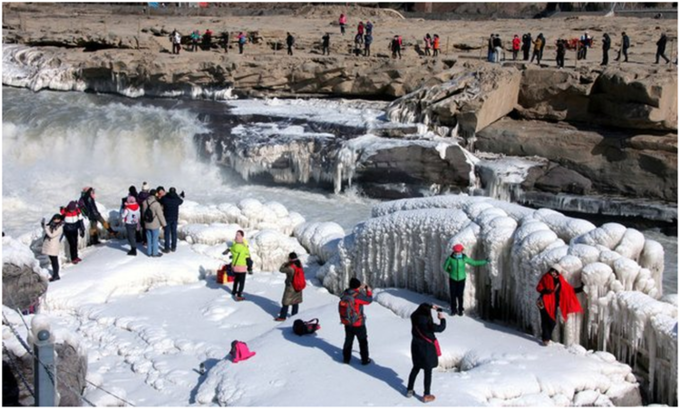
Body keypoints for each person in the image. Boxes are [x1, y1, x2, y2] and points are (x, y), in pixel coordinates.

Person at [406, 303, 446, 403]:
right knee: (428, 371)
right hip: (427, 349)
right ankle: (426, 395)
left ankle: (410, 390)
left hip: (416, 347)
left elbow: (422, 307)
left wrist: (431, 306)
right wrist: (442, 319)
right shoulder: (428, 324)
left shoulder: (414, 317)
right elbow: (441, 328)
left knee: (415, 368)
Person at [536, 266, 584, 346]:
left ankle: (546, 337)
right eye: (552, 271)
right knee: (545, 320)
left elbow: (569, 290)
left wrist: (580, 289)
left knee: (552, 322)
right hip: (544, 302)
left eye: (556, 272)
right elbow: (538, 287)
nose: (553, 273)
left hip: (553, 303)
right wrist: (545, 290)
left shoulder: (560, 280)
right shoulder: (546, 277)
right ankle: (546, 339)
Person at [443, 244, 488, 316]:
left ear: (461, 251)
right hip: (453, 279)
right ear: (453, 251)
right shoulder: (450, 258)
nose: (457, 253)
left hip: (461, 279)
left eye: (459, 251)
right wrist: (451, 272)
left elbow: (474, 263)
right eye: (456, 251)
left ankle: (460, 310)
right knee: (453, 295)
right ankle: (453, 310)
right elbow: (445, 267)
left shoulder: (464, 258)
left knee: (460, 295)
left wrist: (485, 261)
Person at [341, 277, 373, 365]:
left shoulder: (345, 293)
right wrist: (368, 291)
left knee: (348, 341)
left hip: (347, 322)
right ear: (357, 287)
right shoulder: (357, 296)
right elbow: (369, 300)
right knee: (363, 341)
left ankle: (346, 359)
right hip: (358, 323)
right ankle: (365, 359)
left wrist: (359, 288)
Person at [275, 252, 304, 321]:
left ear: (290, 258)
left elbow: (281, 269)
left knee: (286, 301)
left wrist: (285, 263)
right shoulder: (299, 264)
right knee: (295, 301)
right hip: (298, 286)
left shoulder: (290, 267)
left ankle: (282, 317)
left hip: (291, 287)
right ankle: (294, 316)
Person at [142, 189, 166, 258]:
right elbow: (160, 215)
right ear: (155, 194)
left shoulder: (144, 202)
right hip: (155, 224)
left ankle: (149, 252)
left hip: (147, 223)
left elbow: (143, 213)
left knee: (149, 238)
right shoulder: (156, 204)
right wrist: (164, 224)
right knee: (155, 239)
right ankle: (155, 253)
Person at [160, 187, 183, 253]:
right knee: (174, 233)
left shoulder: (165, 199)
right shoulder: (176, 200)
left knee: (167, 233)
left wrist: (166, 194)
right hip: (174, 218)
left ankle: (167, 248)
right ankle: (173, 247)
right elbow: (181, 201)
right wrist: (176, 195)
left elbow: (161, 200)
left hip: (167, 218)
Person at [42, 214, 64, 282]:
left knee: (54, 261)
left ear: (60, 220)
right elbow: (48, 229)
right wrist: (44, 225)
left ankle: (56, 275)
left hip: (53, 246)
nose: (56, 220)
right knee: (52, 260)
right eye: (55, 219)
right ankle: (55, 274)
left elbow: (51, 235)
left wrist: (45, 228)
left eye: (58, 219)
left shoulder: (60, 227)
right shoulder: (52, 225)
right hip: (50, 245)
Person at [230, 230, 251, 301]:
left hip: (235, 266)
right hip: (242, 267)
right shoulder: (244, 248)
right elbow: (248, 257)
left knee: (236, 279)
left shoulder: (233, 247)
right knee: (241, 282)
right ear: (242, 237)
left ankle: (234, 291)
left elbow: (232, 252)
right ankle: (239, 295)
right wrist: (249, 267)